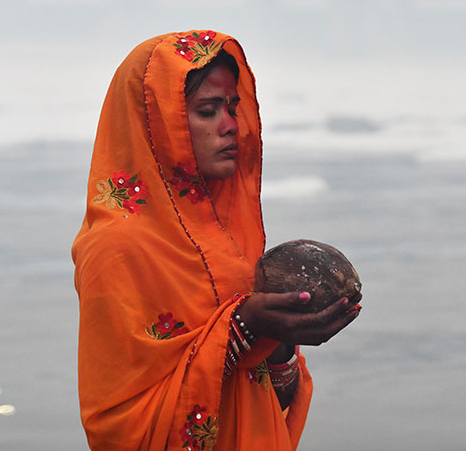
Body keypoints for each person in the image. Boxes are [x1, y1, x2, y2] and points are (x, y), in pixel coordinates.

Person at [72, 30, 361, 450]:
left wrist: (280, 338)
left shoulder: (222, 234)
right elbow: (120, 429)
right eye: (207, 111)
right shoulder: (115, 247)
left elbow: (266, 395)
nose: (231, 126)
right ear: (156, 124)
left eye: (233, 108)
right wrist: (245, 326)